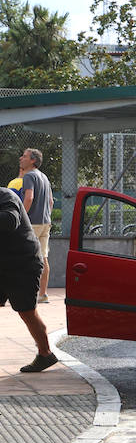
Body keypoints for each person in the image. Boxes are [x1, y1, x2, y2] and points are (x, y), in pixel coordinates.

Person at [1, 185, 57, 372]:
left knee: (26, 311)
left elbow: (11, 221)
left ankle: (45, 354)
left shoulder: (6, 196)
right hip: (3, 264)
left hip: (22, 263)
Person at [18, 149, 53, 304]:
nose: (21, 158)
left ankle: (21, 293)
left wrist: (20, 218)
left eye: (24, 156)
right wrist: (46, 216)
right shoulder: (44, 177)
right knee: (43, 258)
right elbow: (51, 201)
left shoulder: (29, 176)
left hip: (31, 223)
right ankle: (42, 294)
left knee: (21, 257)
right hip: (45, 223)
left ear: (32, 160)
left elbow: (29, 198)